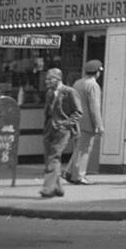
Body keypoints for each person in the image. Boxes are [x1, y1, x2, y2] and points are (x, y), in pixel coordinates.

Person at [39, 69, 80, 199]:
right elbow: (48, 112)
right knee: (50, 157)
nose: (47, 82)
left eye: (50, 79)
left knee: (54, 156)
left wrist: (66, 124)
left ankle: (48, 188)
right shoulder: (50, 93)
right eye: (46, 79)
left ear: (58, 79)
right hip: (49, 129)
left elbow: (78, 112)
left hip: (62, 130)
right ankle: (58, 188)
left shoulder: (69, 92)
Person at [67, 59, 104, 185]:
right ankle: (79, 175)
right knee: (84, 150)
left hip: (76, 120)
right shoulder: (93, 85)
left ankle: (69, 171)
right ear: (97, 72)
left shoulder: (78, 83)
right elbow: (95, 106)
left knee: (78, 148)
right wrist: (99, 124)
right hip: (88, 122)